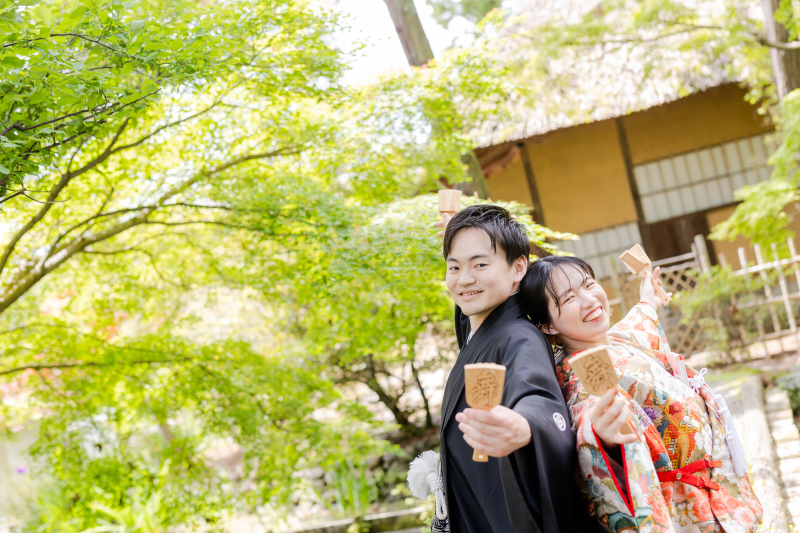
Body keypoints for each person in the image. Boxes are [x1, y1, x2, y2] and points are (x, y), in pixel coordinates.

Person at [521, 255, 763, 533]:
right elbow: (588, 413)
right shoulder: (581, 374)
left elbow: (641, 319)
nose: (589, 300)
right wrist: (602, 435)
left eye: (588, 285)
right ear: (548, 326)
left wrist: (649, 297)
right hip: (684, 512)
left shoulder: (618, 339)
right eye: (569, 298)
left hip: (714, 486)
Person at [436, 204, 596, 533]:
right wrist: (459, 231)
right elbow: (467, 307)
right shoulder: (482, 323)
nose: (464, 279)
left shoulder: (520, 338)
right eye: (454, 267)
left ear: (519, 267)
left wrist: (525, 425)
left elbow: (537, 396)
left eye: (480, 264)